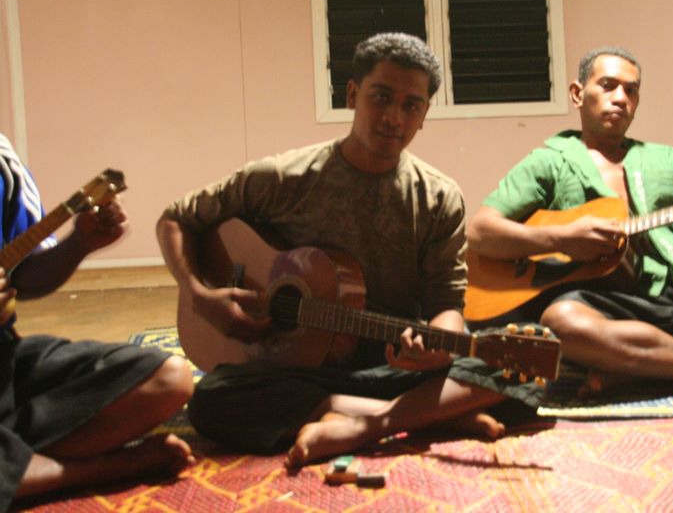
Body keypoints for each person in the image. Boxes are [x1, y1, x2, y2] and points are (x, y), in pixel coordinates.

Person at [157, 33, 534, 470]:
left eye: (411, 105)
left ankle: (361, 421)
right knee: (210, 399)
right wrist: (200, 295)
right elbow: (175, 219)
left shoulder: (438, 198)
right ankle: (428, 413)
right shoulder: (282, 177)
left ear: (424, 115)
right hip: (295, 365)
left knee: (521, 360)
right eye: (381, 97)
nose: (394, 117)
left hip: (390, 362)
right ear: (353, 94)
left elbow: (446, 304)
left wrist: (438, 349)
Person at [467, 46, 673, 391]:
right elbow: (481, 232)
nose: (620, 98)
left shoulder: (666, 159)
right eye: (608, 85)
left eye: (631, 90)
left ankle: (637, 369)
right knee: (562, 322)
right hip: (604, 306)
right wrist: (563, 238)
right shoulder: (549, 161)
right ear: (577, 94)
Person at [0, 136, 195, 510]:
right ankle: (97, 469)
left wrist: (79, 243)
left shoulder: (2, 163)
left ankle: (17, 464)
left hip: (5, 362)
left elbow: (22, 278)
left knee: (168, 378)